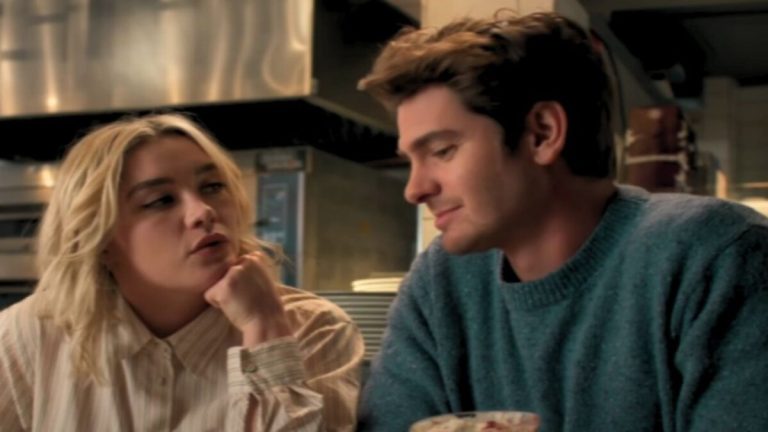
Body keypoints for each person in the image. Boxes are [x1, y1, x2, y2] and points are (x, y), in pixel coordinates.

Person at [355, 11, 768, 431]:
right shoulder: (439, 283)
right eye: (411, 161)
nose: (415, 189)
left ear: (542, 133)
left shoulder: (716, 257)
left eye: (442, 151)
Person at [0, 113, 365, 431]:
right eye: (161, 200)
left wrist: (263, 327)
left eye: (213, 186)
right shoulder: (25, 337)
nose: (203, 211)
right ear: (101, 239)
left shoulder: (314, 330)